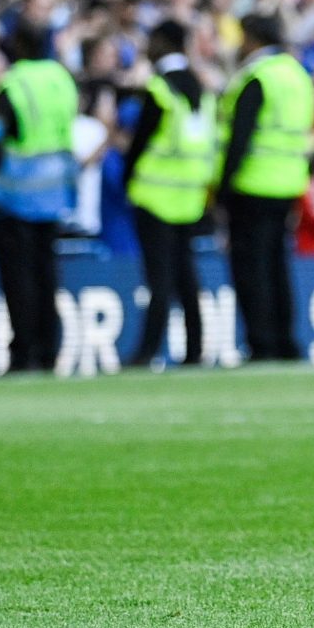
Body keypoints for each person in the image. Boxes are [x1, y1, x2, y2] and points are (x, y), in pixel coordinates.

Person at [215, 13, 314, 364]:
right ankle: (285, 340)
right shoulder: (297, 75)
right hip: (287, 183)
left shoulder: (257, 77)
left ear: (253, 38)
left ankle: (261, 342)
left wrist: (222, 189)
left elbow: (239, 139)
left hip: (253, 183)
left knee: (251, 269)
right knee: (277, 265)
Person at [0, 24, 78, 374]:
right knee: (47, 274)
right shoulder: (61, 79)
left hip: (16, 193)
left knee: (18, 279)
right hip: (55, 192)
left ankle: (25, 350)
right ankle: (50, 348)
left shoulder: (13, 84)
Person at [126, 20, 214, 368]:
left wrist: (130, 177)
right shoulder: (200, 88)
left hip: (154, 195)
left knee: (159, 279)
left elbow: (140, 143)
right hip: (188, 196)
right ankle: (194, 349)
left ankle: (147, 351)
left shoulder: (160, 88)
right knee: (187, 277)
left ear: (163, 42)